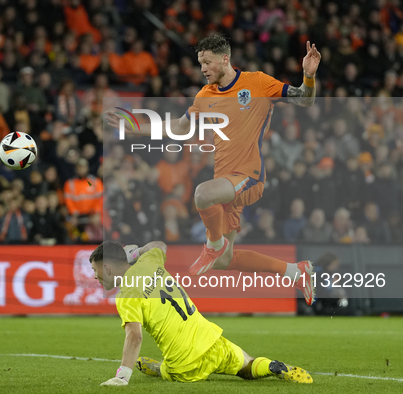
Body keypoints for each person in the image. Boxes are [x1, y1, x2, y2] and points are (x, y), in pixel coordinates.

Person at [106, 33, 321, 305]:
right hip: (226, 185)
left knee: (201, 195)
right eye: (200, 63)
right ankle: (294, 271)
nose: (203, 69)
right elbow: (180, 128)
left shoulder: (257, 82)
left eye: (207, 62)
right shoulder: (205, 96)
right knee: (224, 261)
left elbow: (305, 99)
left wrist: (308, 77)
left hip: (249, 177)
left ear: (225, 59)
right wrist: (135, 128)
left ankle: (213, 244)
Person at [90, 241, 312, 386]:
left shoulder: (127, 293)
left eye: (95, 269)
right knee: (247, 366)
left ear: (107, 268)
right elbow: (159, 245)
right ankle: (272, 366)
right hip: (210, 338)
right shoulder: (149, 261)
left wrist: (122, 376)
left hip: (184, 362)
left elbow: (135, 336)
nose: (94, 276)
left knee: (168, 370)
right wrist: (136, 252)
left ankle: (159, 369)